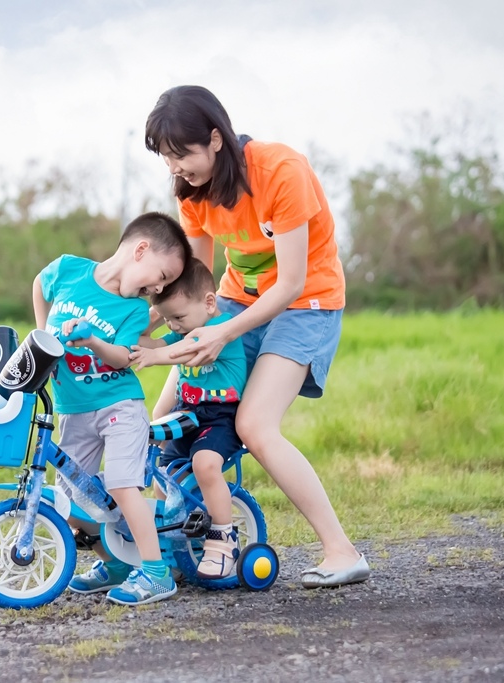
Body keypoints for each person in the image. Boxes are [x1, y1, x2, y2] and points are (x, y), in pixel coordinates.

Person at [142, 85, 370, 588]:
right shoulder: (191, 191)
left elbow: (288, 282)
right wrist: (145, 331)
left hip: (306, 302)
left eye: (182, 156)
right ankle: (156, 541)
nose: (176, 170)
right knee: (162, 419)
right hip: (235, 301)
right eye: (167, 160)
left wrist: (220, 332)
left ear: (216, 139)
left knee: (254, 425)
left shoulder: (280, 171)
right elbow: (193, 282)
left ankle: (342, 551)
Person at [33, 211, 192, 605]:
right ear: (140, 250)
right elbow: (39, 284)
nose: (158, 287)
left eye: (166, 284)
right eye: (162, 275)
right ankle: (116, 563)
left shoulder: (133, 310)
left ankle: (156, 573)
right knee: (74, 494)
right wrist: (43, 339)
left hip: (119, 405)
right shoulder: (69, 270)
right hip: (73, 407)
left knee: (122, 485)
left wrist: (92, 342)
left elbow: (122, 356)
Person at [129, 257, 247, 579]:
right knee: (162, 473)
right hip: (187, 416)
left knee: (205, 465)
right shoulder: (181, 328)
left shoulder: (216, 331)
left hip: (219, 418)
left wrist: (155, 357)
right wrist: (143, 323)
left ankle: (223, 538)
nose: (173, 326)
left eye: (178, 316)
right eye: (168, 319)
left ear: (209, 303)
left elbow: (178, 351)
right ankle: (170, 545)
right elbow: (147, 342)